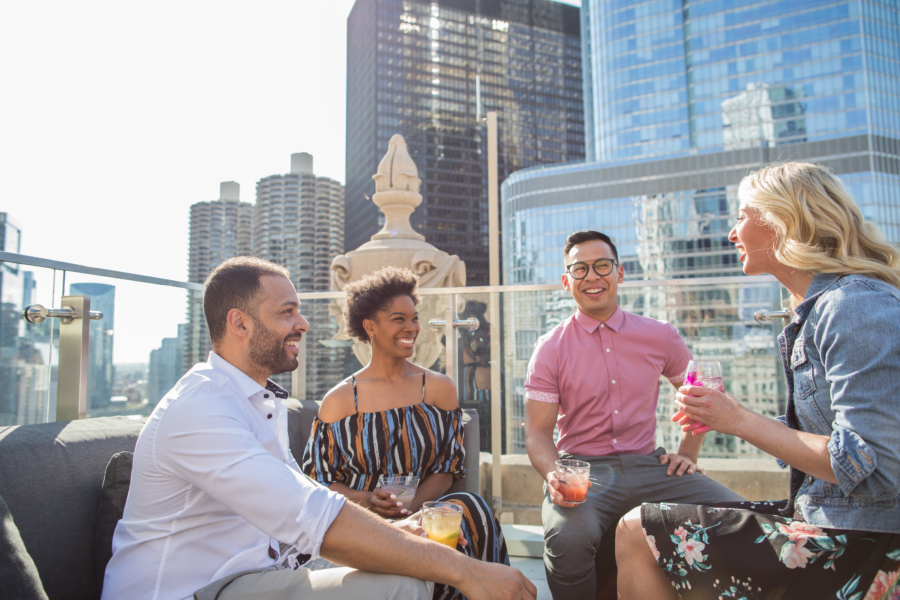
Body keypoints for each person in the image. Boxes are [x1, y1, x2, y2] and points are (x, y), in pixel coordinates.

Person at [101, 257, 535, 600]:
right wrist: (468, 570)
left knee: (425, 550)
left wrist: (399, 532)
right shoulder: (201, 409)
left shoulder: (260, 402)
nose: (303, 324)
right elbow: (310, 512)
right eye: (287, 312)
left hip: (268, 572)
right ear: (239, 323)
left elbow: (306, 499)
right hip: (198, 590)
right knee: (402, 585)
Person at [615, 162, 900, 599]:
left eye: (742, 215)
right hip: (832, 518)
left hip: (865, 542)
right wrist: (726, 416)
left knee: (638, 530)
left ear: (783, 221)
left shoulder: (853, 306)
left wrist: (740, 421)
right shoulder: (825, 307)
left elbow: (874, 466)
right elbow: (839, 440)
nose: (733, 233)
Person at [524, 230, 745, 600]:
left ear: (620, 273)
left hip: (651, 466)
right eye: (580, 270)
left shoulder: (660, 335)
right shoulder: (550, 348)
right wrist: (554, 474)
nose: (592, 277)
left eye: (602, 266)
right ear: (567, 281)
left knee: (739, 515)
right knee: (568, 538)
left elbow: (705, 397)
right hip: (584, 471)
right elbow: (537, 433)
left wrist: (688, 453)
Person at [302, 267, 511, 600]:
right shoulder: (340, 401)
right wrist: (369, 501)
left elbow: (447, 468)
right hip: (362, 525)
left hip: (427, 513)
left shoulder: (439, 389)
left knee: (475, 508)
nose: (411, 328)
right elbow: (320, 483)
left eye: (414, 318)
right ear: (369, 327)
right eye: (399, 319)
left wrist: (415, 508)